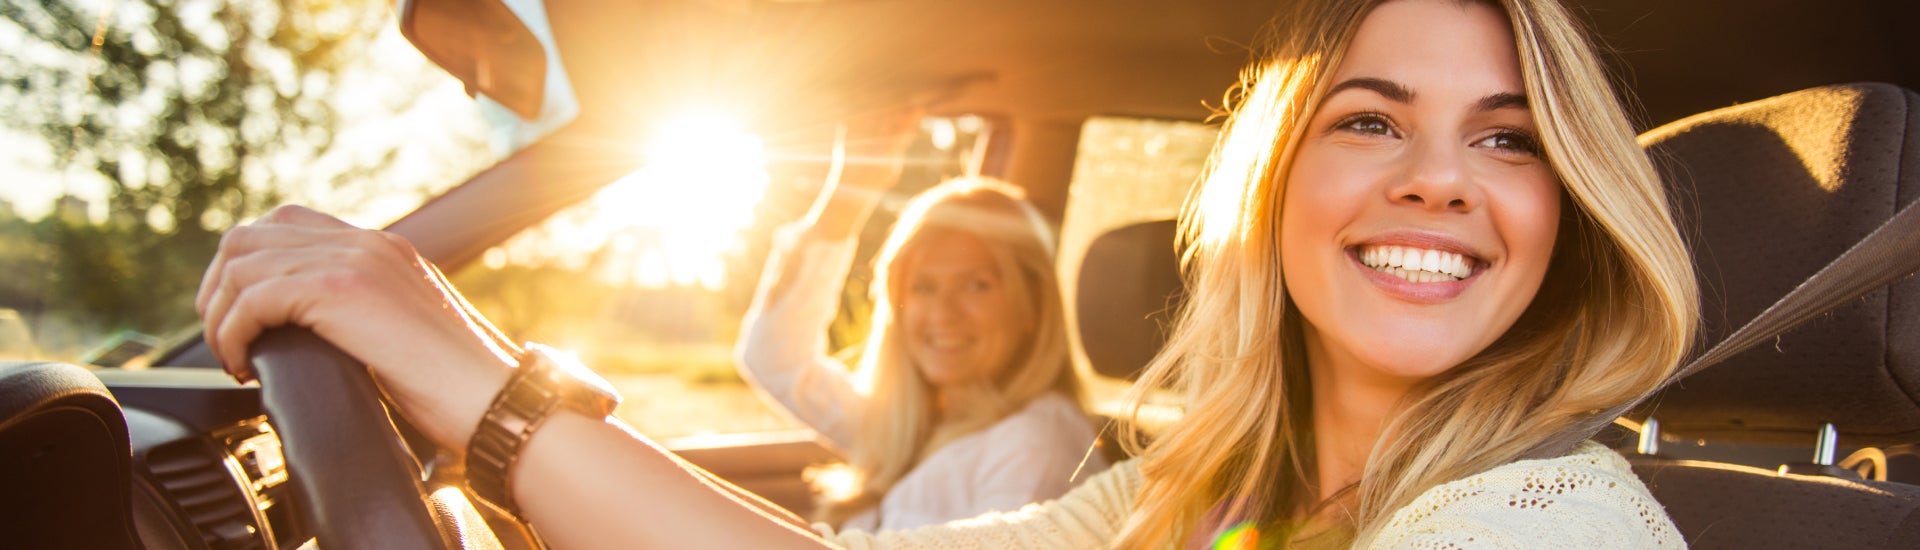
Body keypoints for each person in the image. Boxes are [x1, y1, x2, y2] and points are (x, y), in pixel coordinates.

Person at [196, 0, 1699, 547]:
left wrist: (478, 378)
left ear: (1564, 217)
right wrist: (474, 389)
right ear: (1276, 189)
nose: (1436, 175)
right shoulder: (1185, 498)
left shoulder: (1543, 523)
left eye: (1507, 141)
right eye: (1370, 119)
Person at [733, 117, 1106, 530]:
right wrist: (853, 188)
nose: (943, 313)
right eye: (923, 287)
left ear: (1032, 306)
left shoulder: (1037, 444)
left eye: (976, 285)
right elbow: (774, 360)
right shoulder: (909, 422)